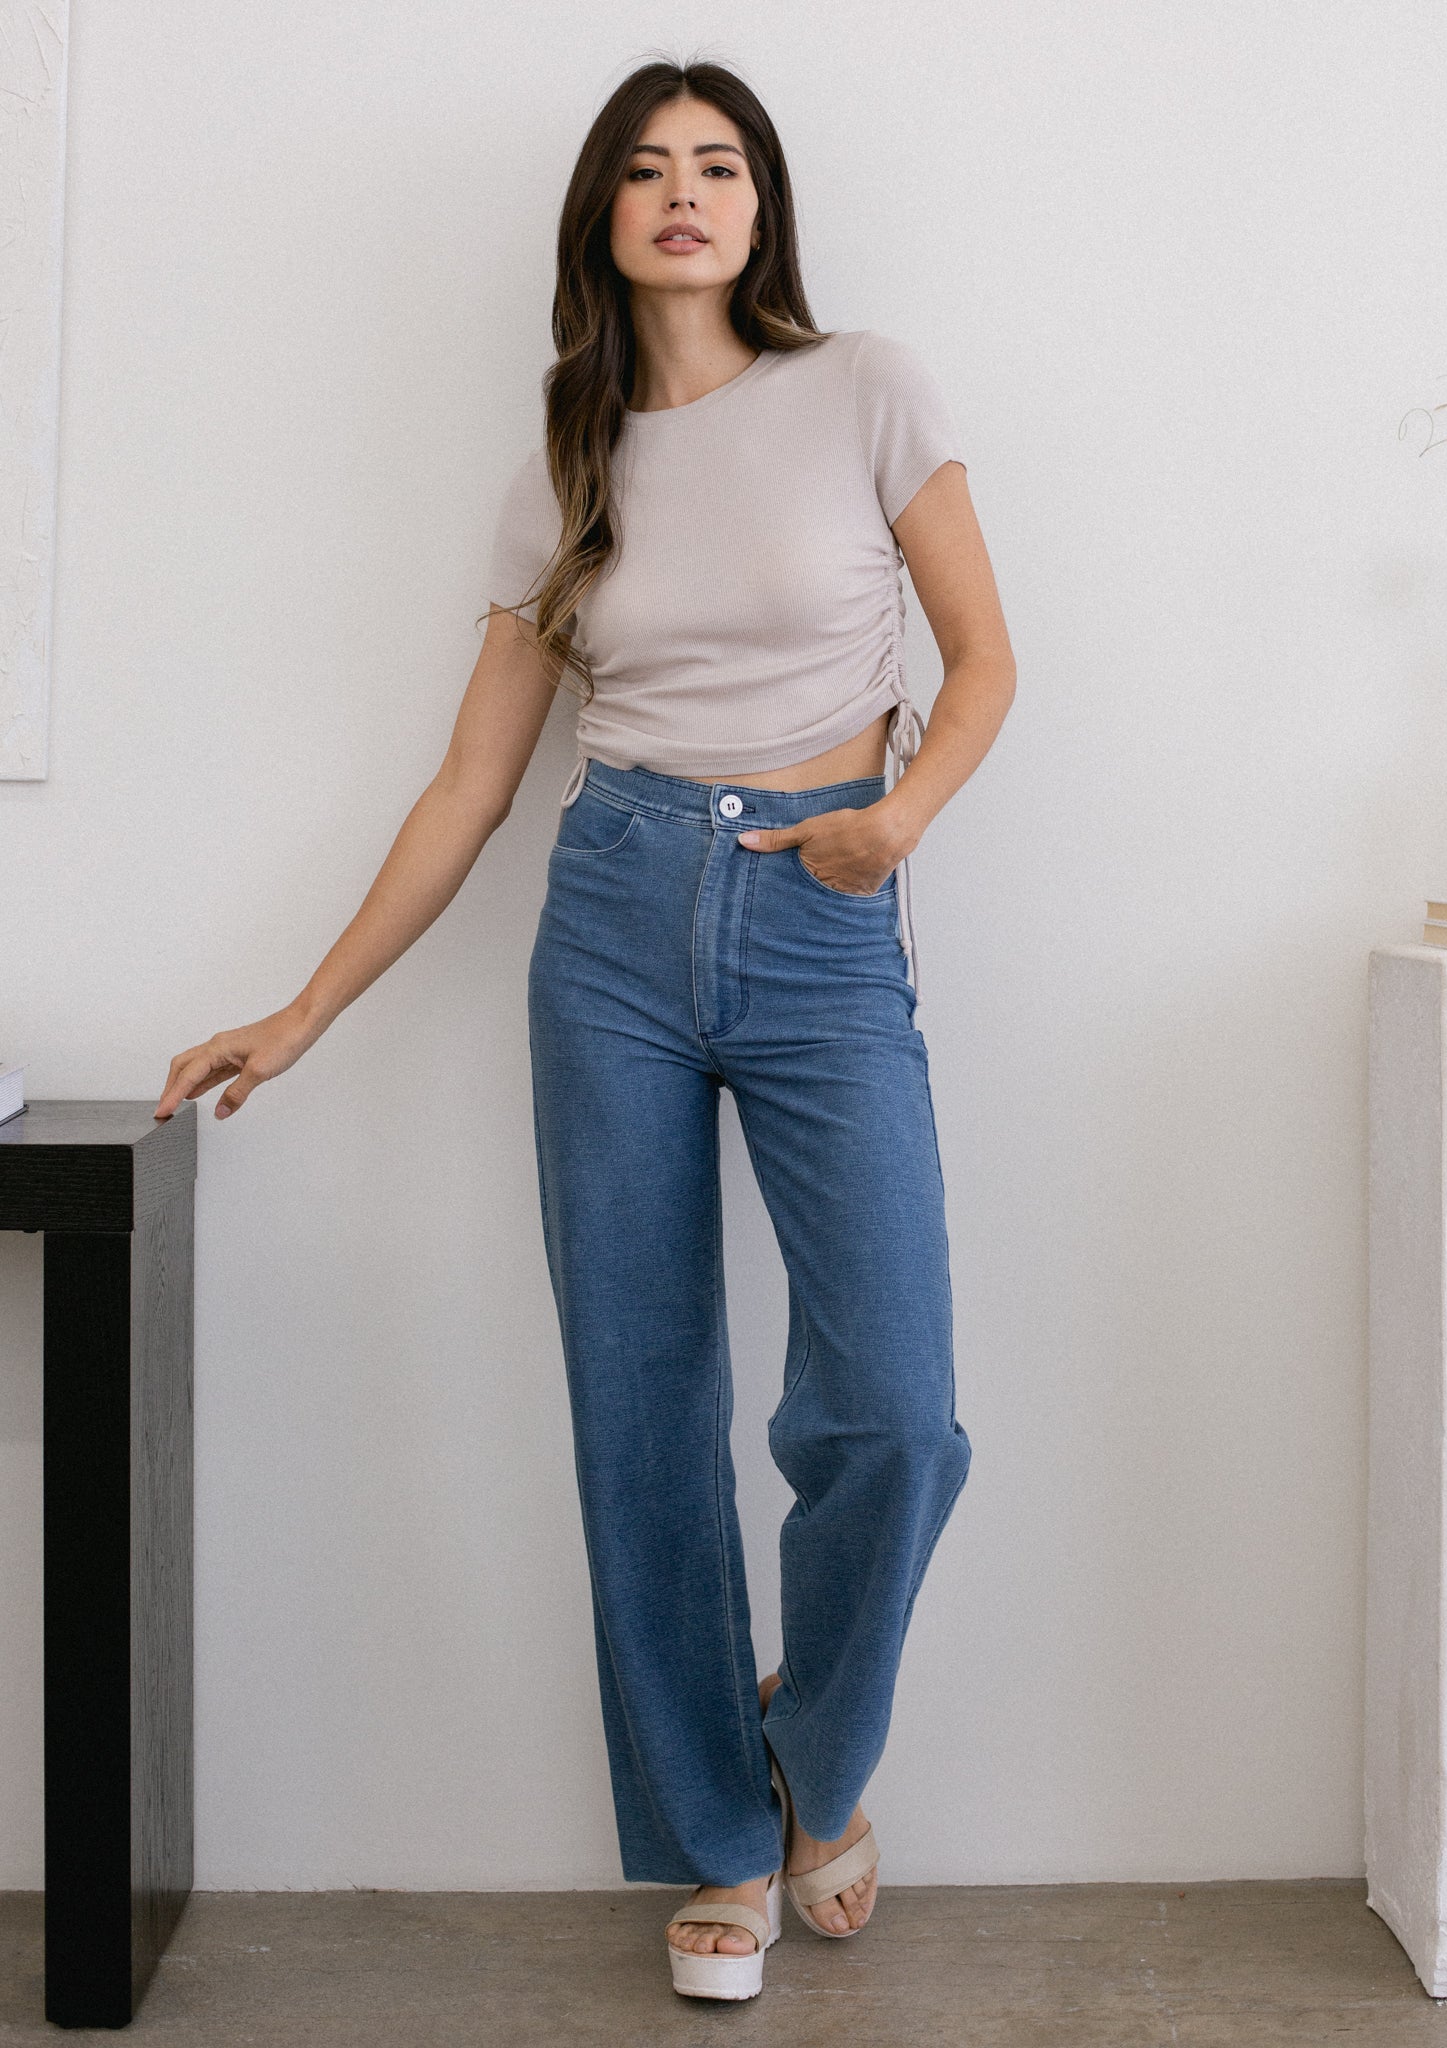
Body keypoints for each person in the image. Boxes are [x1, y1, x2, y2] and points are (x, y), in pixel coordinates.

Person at [154, 56, 1017, 2005]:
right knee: (640, 1409)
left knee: (896, 1408)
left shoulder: (866, 386)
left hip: (824, 907)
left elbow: (986, 660)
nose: (685, 195)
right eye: (647, 171)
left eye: (719, 166)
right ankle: (717, 1841)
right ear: (605, 221)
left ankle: (815, 1752)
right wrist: (301, 1009)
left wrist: (895, 820)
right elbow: (469, 784)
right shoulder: (567, 460)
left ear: (764, 208)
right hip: (613, 922)